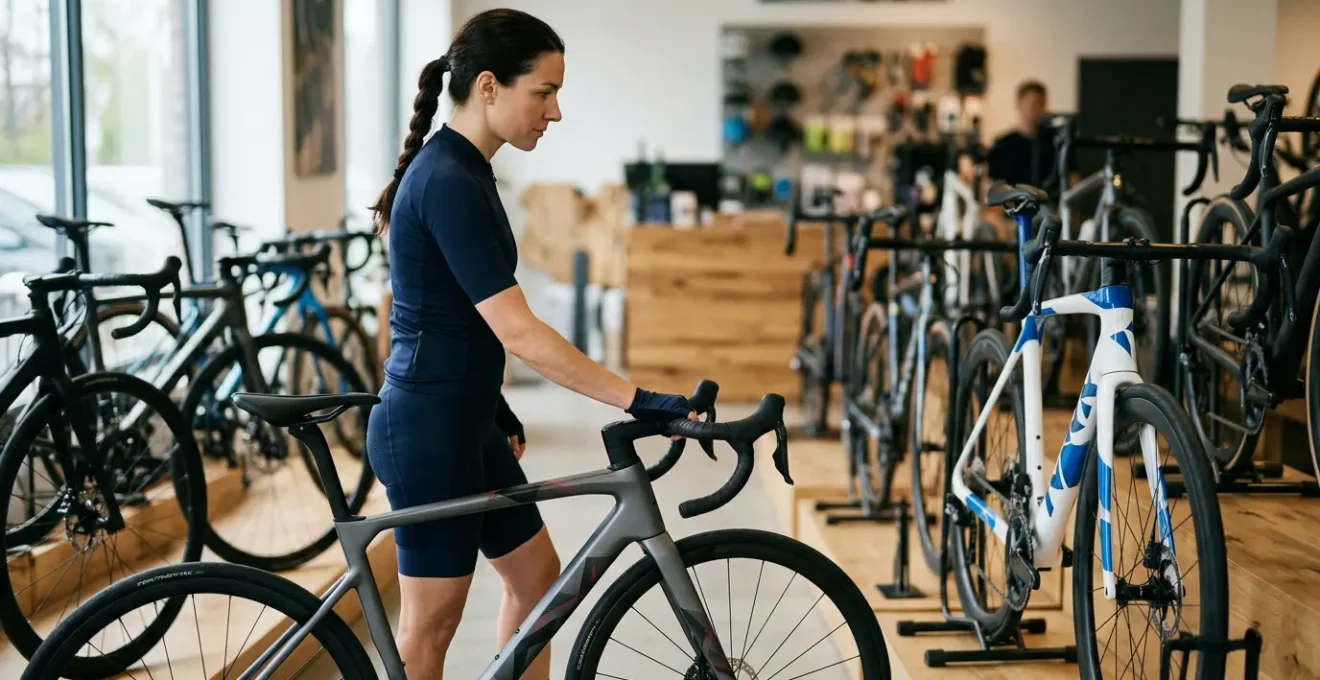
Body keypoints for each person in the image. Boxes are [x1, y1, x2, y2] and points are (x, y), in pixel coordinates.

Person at [365, 9, 695, 680]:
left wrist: (491, 404)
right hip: (429, 429)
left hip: (465, 417)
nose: (556, 111)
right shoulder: (449, 181)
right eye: (543, 92)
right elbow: (519, 331)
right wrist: (637, 398)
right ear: (489, 86)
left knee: (540, 585)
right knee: (430, 626)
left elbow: (458, 314)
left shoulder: (468, 171)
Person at [987, 80, 1055, 187]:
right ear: (1020, 104)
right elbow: (994, 185)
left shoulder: (1054, 140)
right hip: (1013, 202)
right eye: (1034, 104)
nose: (1038, 109)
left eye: (1042, 104)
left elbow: (1071, 177)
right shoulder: (1003, 144)